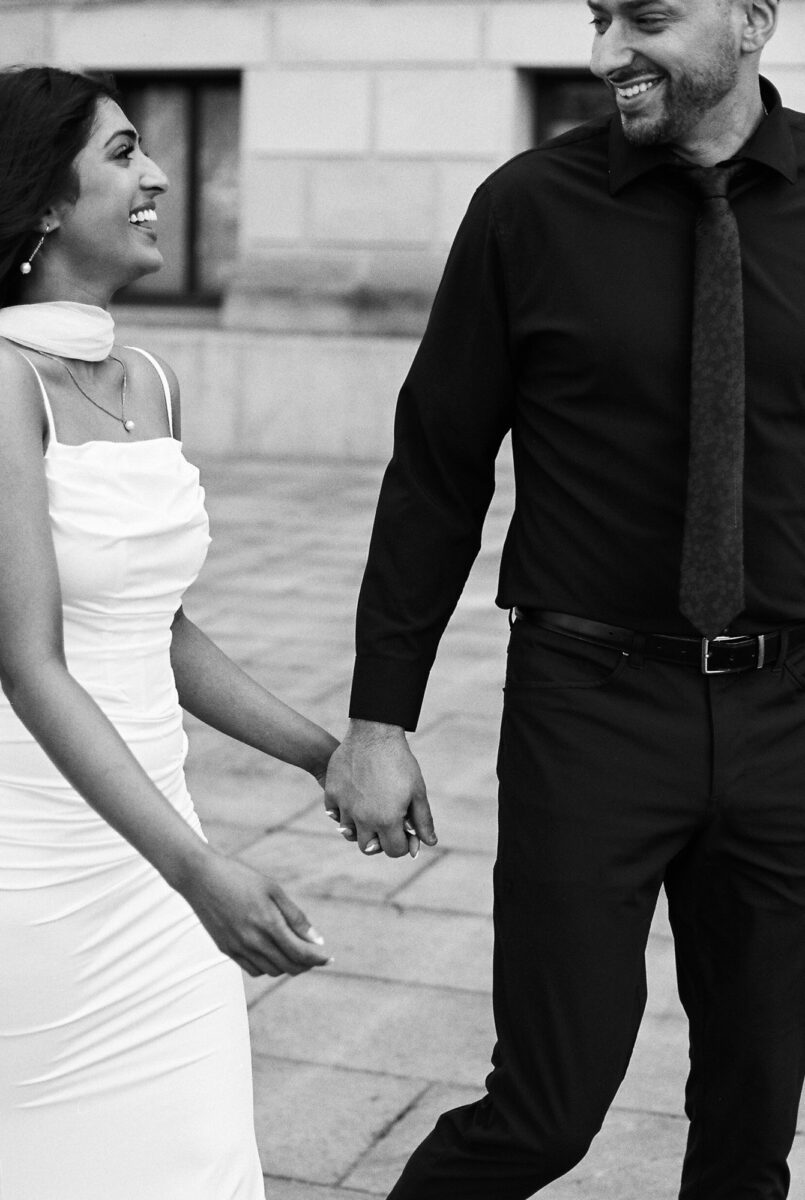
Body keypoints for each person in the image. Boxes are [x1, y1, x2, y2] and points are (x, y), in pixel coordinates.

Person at [324, 0, 805, 1195]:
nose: (603, 55)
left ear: (752, 20)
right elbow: (436, 470)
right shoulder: (527, 208)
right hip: (589, 704)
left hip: (790, 712)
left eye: (645, 16)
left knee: (754, 1117)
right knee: (544, 1111)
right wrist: (379, 721)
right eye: (596, 17)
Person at [0, 66, 338, 1199]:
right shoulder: (4, 385)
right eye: (123, 153)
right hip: (39, 862)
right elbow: (28, 659)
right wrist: (197, 871)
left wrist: (320, 751)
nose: (157, 176)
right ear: (43, 201)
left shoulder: (148, 376)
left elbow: (164, 630)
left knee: (197, 1161)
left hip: (161, 842)